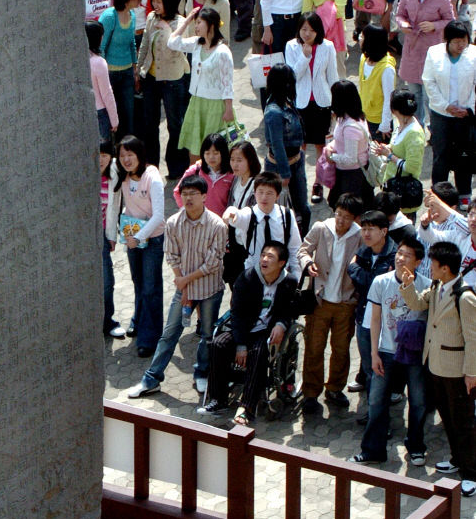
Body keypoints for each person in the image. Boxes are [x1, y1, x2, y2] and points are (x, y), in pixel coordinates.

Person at [126, 175, 227, 400]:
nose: (188, 198)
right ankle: (151, 378)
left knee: (208, 334)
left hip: (210, 289)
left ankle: (202, 372)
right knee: (169, 333)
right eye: (185, 193)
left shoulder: (217, 225)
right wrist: (183, 286)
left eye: (193, 193)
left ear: (204, 196)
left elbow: (213, 262)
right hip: (184, 289)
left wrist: (184, 282)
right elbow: (171, 256)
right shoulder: (173, 223)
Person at [400, 238, 476, 497]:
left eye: (433, 264)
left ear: (446, 267)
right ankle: (457, 461)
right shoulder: (437, 285)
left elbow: (473, 338)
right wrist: (408, 285)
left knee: (463, 422)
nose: (430, 268)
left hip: (457, 372)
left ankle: (471, 473)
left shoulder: (464, 297)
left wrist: (471, 373)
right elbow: (418, 304)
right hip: (436, 366)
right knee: (448, 420)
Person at [350, 232, 429, 464]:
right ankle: (372, 450)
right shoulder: (380, 282)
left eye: (408, 255)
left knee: (417, 401)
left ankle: (415, 446)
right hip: (385, 350)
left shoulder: (426, 286)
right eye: (400, 253)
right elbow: (375, 320)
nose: (401, 258)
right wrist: (373, 353)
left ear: (418, 262)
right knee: (376, 400)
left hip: (413, 354)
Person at [198, 241, 298, 424]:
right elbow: (237, 313)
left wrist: (281, 325)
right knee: (219, 344)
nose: (264, 260)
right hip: (243, 327)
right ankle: (217, 399)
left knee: (259, 352)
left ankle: (246, 407)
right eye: (263, 255)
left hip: (265, 331)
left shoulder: (289, 282)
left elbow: (288, 310)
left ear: (281, 263)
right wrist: (241, 345)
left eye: (271, 257)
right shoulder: (247, 278)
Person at [298, 194, 363, 417]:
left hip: (346, 303)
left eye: (346, 217)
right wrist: (308, 264)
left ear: (355, 219)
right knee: (314, 348)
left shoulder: (359, 236)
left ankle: (335, 388)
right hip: (320, 300)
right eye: (338, 214)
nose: (340, 220)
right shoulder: (321, 228)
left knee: (341, 349)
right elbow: (303, 250)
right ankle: (310, 393)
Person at [116, 136, 165, 357]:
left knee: (151, 288)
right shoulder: (123, 177)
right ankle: (139, 321)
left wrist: (139, 237)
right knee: (138, 284)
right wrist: (125, 231)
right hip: (133, 239)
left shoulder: (152, 177)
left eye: (130, 155)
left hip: (152, 239)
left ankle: (150, 338)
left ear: (139, 155)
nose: (126, 160)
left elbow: (159, 216)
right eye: (122, 155)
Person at [168, 7, 235, 161]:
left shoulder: (223, 51)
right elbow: (172, 42)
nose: (196, 26)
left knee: (215, 151)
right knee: (194, 150)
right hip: (197, 102)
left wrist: (228, 109)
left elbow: (227, 82)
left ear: (211, 25)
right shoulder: (196, 43)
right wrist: (187, 21)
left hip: (216, 105)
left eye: (199, 22)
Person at [136, 0, 188, 175]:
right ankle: (151, 165)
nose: (156, 5)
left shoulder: (181, 22)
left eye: (160, 1)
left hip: (173, 80)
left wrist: (166, 28)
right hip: (150, 78)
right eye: (154, 1)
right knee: (150, 123)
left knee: (175, 124)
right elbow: (145, 45)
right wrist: (139, 68)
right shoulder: (150, 18)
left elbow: (175, 47)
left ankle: (176, 166)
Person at [395, 0, 455, 123]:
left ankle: (433, 128)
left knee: (431, 95)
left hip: (432, 50)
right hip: (412, 50)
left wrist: (434, 25)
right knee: (414, 93)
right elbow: (399, 15)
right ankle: (417, 127)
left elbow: (451, 20)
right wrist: (403, 24)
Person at [347, 210, 397, 405]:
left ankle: (380, 414)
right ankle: (371, 408)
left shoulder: (394, 256)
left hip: (386, 324)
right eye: (364, 229)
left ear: (384, 231)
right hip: (363, 319)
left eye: (371, 229)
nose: (366, 234)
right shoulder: (365, 251)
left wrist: (353, 269)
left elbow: (374, 285)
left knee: (381, 370)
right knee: (369, 368)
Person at [422, 20, 476, 201]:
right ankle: (439, 195)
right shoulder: (434, 53)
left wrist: (468, 107)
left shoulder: (473, 54)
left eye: (464, 41)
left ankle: (464, 194)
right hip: (441, 114)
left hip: (465, 115)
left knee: (464, 155)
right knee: (441, 155)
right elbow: (429, 82)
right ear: (447, 40)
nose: (461, 45)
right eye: (457, 41)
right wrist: (446, 106)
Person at [285, 11, 338, 187]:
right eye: (304, 29)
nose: (307, 34)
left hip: (322, 102)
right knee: (300, 146)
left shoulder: (327, 47)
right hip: (300, 103)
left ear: (318, 31)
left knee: (321, 147)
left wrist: (336, 105)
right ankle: (300, 182)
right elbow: (293, 76)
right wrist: (305, 56)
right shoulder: (291, 46)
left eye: (311, 30)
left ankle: (318, 183)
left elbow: (332, 77)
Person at [223, 170, 303, 280]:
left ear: (277, 196)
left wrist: (296, 277)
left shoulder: (287, 215)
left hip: (281, 274)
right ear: (254, 193)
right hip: (254, 275)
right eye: (260, 192)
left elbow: (295, 248)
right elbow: (237, 215)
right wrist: (230, 212)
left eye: (269, 193)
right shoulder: (249, 214)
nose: (264, 197)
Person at [262, 63, 310, 234]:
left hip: (297, 160)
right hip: (280, 167)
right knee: (279, 211)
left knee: (303, 208)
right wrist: (284, 173)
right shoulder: (273, 112)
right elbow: (277, 144)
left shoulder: (286, 102)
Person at [99, 0, 143, 138]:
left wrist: (134, 67)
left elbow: (132, 42)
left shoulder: (131, 14)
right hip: (110, 73)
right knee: (111, 115)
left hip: (126, 73)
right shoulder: (109, 16)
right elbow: (101, 47)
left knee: (128, 114)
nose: (140, 0)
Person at [371, 89, 426, 214]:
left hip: (404, 193)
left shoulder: (414, 133)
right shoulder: (401, 123)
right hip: (391, 186)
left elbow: (412, 167)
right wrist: (387, 148)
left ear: (394, 110)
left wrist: (389, 155)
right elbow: (397, 145)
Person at [323, 79, 371, 206]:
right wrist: (330, 147)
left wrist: (331, 157)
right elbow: (339, 141)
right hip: (345, 173)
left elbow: (351, 159)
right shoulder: (347, 117)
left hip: (352, 177)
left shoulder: (351, 127)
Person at [174, 134, 234, 218]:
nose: (211, 157)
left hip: (221, 223)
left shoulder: (231, 175)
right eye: (207, 153)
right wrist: (188, 210)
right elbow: (177, 192)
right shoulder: (195, 171)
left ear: (223, 154)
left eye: (216, 153)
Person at [100, 141, 124, 339]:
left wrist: (111, 236)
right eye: (97, 155)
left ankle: (108, 321)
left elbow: (113, 208)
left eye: (105, 155)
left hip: (101, 234)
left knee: (107, 281)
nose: (101, 159)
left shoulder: (115, 171)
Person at [358, 23, 396, 136]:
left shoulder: (386, 69)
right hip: (364, 116)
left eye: (363, 37)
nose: (360, 38)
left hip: (379, 122)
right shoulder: (363, 59)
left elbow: (388, 98)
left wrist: (385, 125)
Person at [87, 21, 119, 140]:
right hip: (100, 113)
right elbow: (107, 94)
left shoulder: (77, 62)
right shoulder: (98, 62)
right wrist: (114, 120)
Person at [228, 140, 262, 210]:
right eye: (232, 159)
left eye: (239, 160)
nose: (235, 164)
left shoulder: (257, 185)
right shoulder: (236, 179)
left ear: (250, 161)